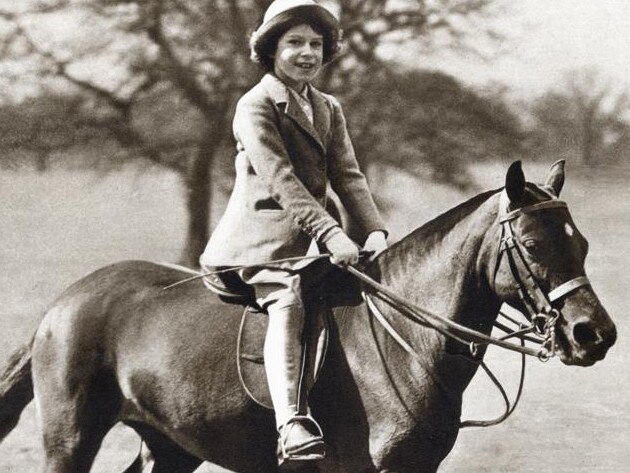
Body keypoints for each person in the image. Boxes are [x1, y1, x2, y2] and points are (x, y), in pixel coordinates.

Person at [199, 0, 388, 467]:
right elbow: (282, 180)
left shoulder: (327, 106)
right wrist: (331, 233)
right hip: (260, 244)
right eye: (295, 43)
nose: (307, 53)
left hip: (318, 241)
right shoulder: (255, 104)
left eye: (316, 45)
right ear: (271, 50)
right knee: (287, 301)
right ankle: (292, 422)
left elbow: (348, 174)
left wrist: (375, 229)